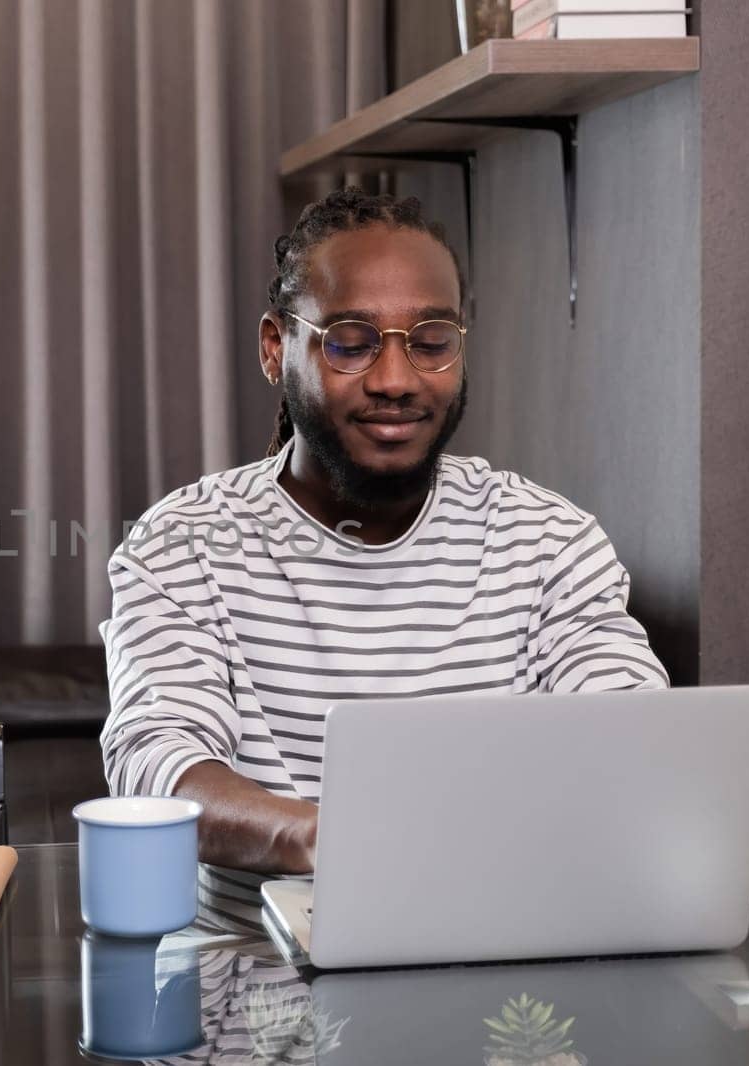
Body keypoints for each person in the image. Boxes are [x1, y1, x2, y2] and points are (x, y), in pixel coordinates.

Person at [98, 188, 667, 913]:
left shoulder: (550, 541)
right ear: (277, 348)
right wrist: (331, 841)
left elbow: (637, 743)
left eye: (430, 341)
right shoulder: (183, 544)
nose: (395, 380)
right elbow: (157, 767)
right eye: (349, 342)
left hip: (515, 969)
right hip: (263, 981)